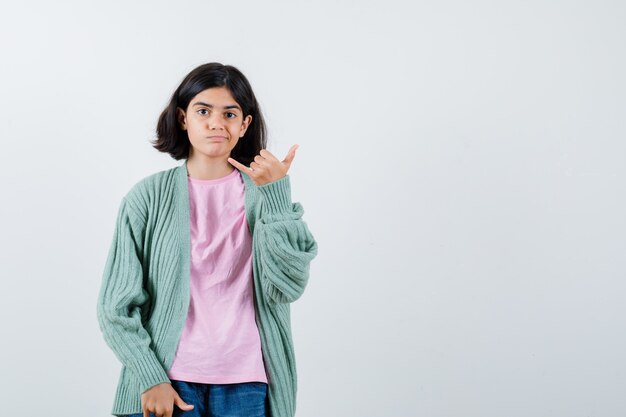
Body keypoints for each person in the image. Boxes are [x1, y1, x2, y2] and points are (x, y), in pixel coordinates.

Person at [96, 62, 318, 417]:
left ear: (244, 125)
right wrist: (151, 376)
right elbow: (115, 306)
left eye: (230, 113)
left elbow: (286, 287)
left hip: (248, 384)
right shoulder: (147, 198)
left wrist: (276, 194)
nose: (216, 123)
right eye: (204, 111)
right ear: (184, 119)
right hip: (168, 380)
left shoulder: (264, 199)